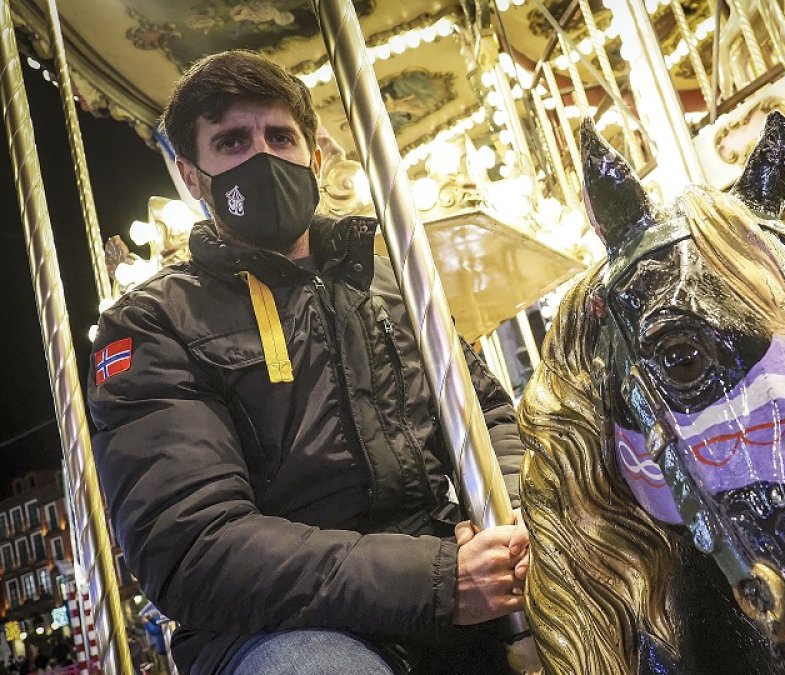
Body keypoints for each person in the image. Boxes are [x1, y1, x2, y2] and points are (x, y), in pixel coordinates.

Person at [87, 50, 529, 675]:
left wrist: (511, 524)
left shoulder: (395, 285)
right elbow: (192, 544)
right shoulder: (152, 324)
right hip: (281, 627)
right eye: (232, 141)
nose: (261, 157)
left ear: (315, 156)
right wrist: (434, 581)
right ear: (192, 176)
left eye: (280, 136)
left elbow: (488, 420)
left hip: (448, 577)